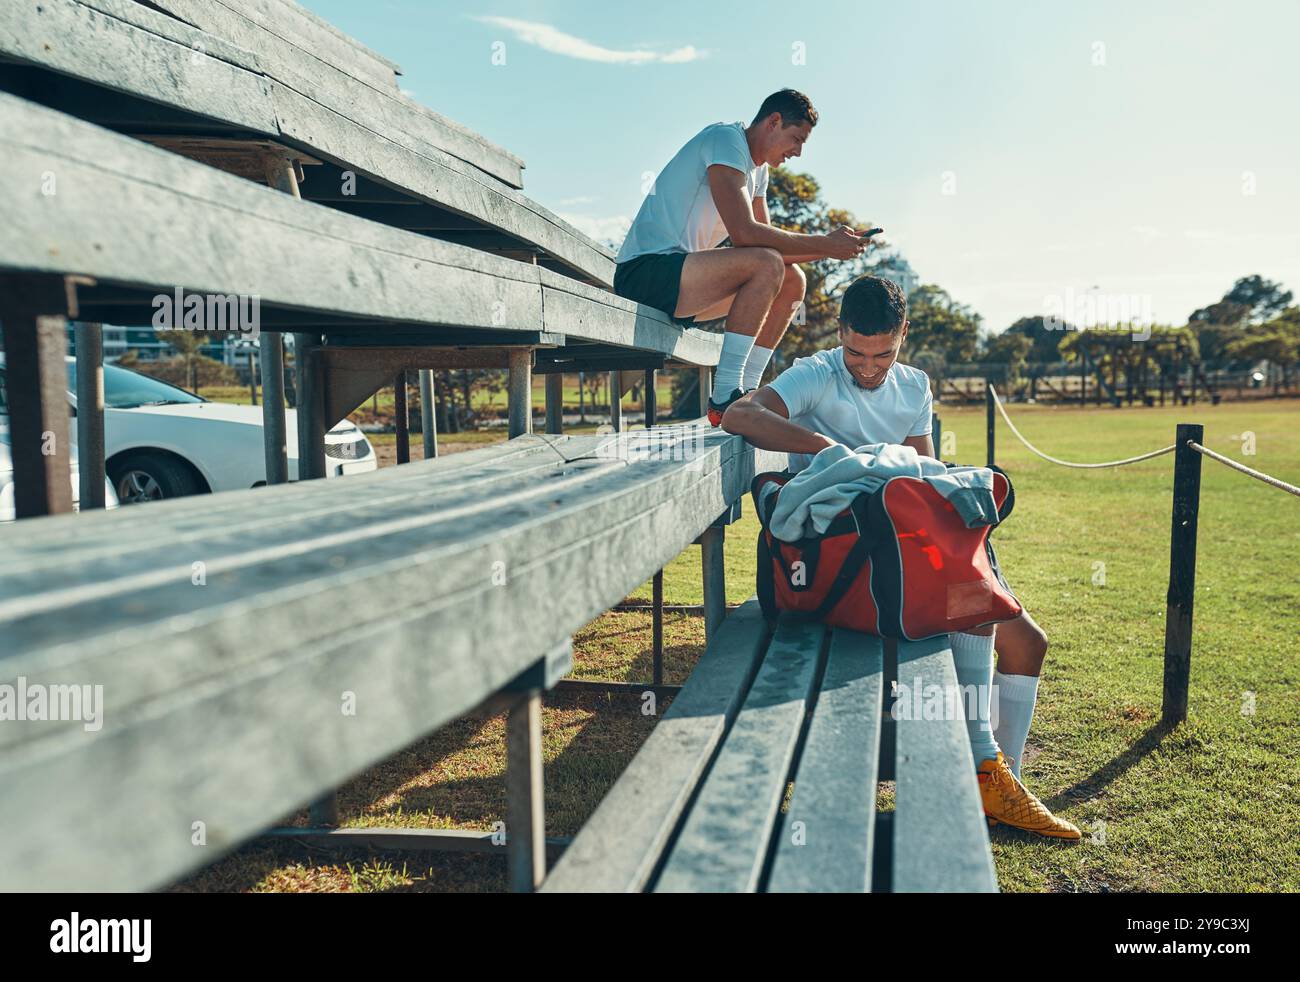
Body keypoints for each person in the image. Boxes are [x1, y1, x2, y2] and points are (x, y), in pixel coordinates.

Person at [722, 274, 1080, 840]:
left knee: (1028, 643)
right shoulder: (818, 371)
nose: (868, 366)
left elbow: (925, 480)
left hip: (901, 545)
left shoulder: (915, 386)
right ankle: (983, 772)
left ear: (903, 335)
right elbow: (740, 415)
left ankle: (990, 780)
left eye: (883, 353)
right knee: (973, 604)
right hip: (841, 558)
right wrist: (829, 450)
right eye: (857, 352)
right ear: (840, 333)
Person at [612, 88, 870, 425]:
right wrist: (825, 244)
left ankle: (748, 393)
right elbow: (746, 234)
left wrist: (834, 250)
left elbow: (770, 247)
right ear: (773, 122)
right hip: (645, 274)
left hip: (682, 284)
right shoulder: (725, 140)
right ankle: (724, 396)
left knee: (792, 281)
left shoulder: (759, 171)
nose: (798, 152)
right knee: (767, 265)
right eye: (796, 139)